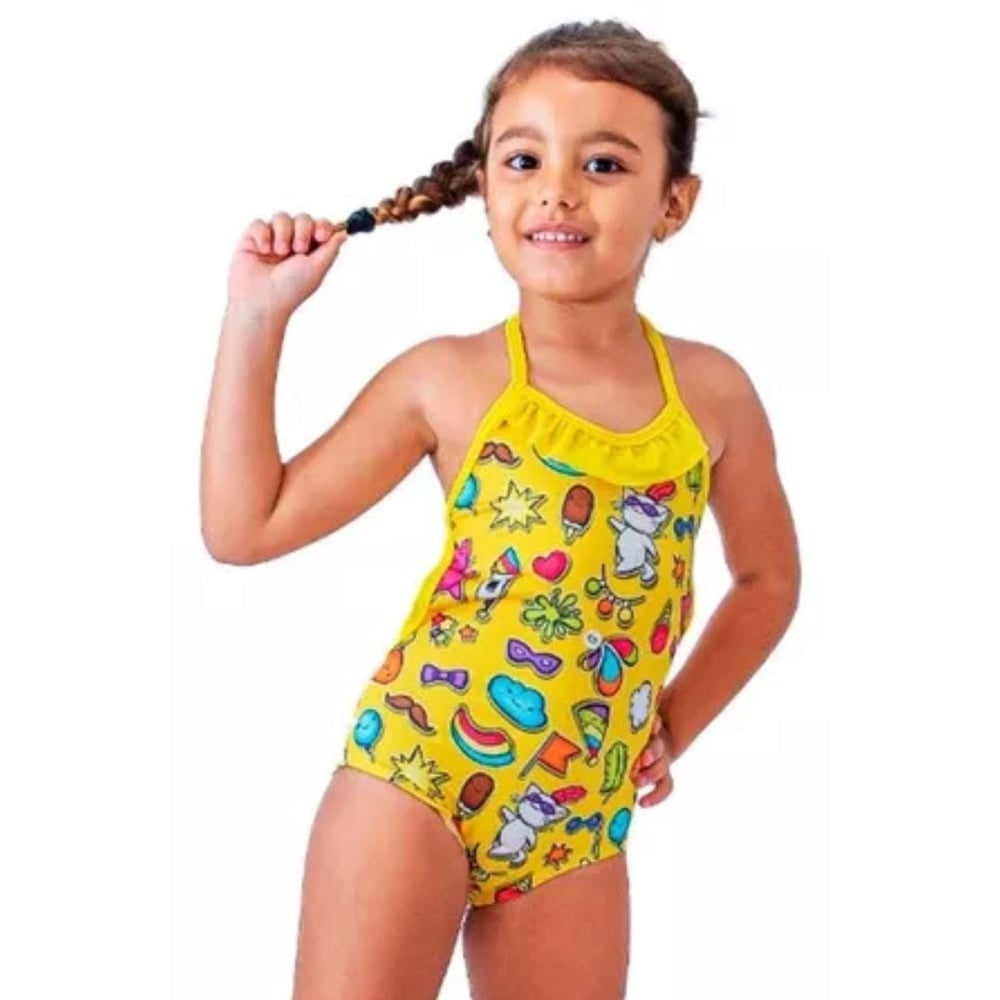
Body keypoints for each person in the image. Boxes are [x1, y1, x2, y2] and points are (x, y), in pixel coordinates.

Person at [200, 18, 800, 1000]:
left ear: (674, 202)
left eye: (603, 163)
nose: (557, 189)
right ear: (483, 188)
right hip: (417, 774)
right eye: (524, 160)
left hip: (580, 814)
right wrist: (256, 318)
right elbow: (244, 527)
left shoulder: (715, 393)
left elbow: (768, 579)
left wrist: (673, 723)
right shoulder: (446, 378)